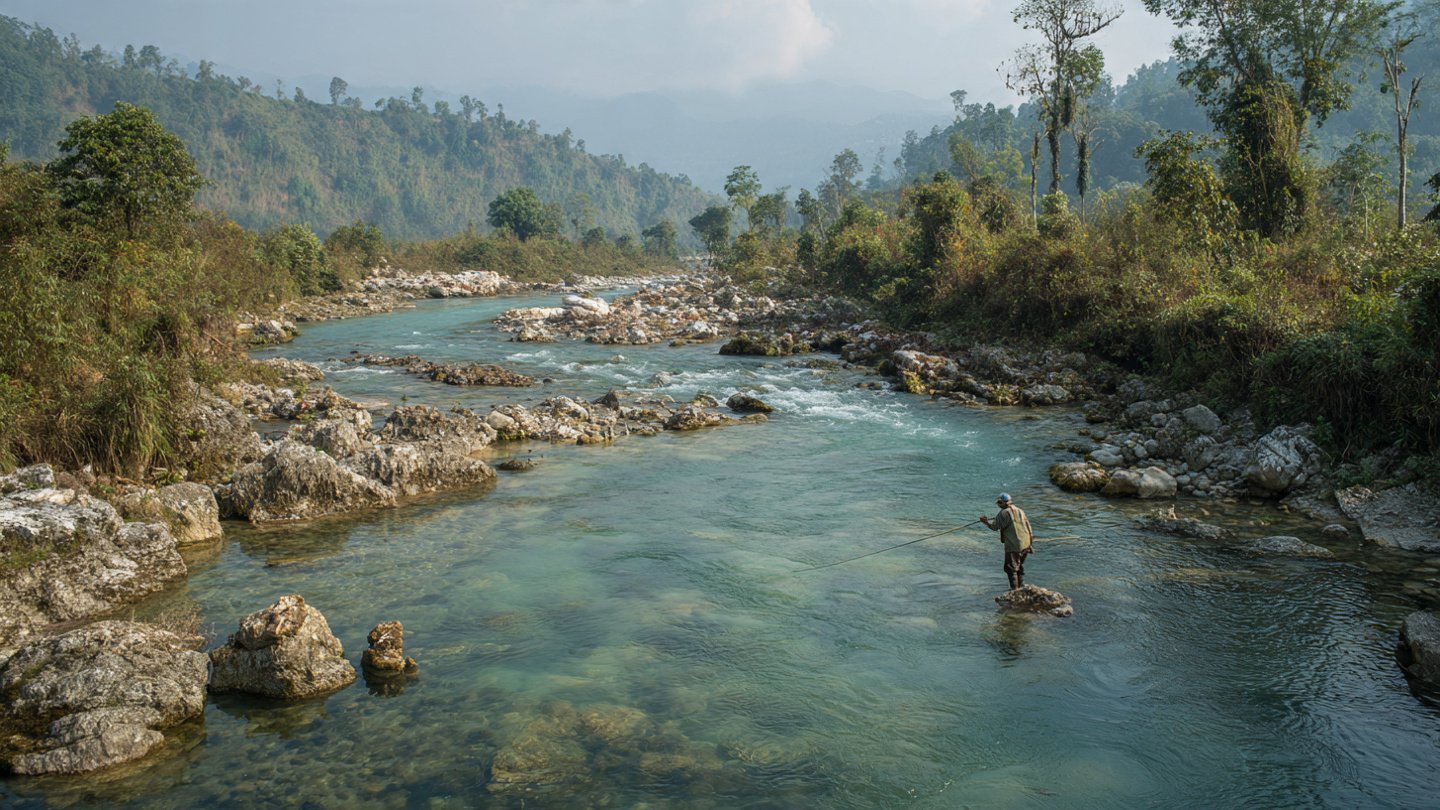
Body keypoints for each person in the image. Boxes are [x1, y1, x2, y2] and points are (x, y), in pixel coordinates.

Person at [980, 493, 1032, 590]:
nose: (998, 505)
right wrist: (1030, 544)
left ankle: (1014, 591)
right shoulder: (1020, 510)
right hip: (1026, 544)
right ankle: (1020, 588)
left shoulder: (1003, 513)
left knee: (1010, 568)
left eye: (999, 503)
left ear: (1002, 503)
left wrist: (985, 522)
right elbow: (1029, 528)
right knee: (1019, 566)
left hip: (1013, 545)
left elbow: (994, 527)